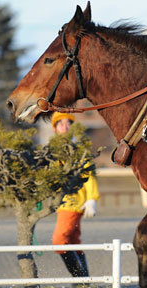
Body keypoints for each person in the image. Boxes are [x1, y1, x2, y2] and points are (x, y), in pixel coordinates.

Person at [51, 112, 99, 279]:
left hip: (72, 202)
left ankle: (80, 279)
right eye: (60, 123)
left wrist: (92, 198)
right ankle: (83, 280)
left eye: (68, 123)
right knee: (72, 242)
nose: (65, 126)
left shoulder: (78, 151)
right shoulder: (52, 150)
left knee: (59, 241)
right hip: (60, 203)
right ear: (55, 128)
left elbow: (89, 175)